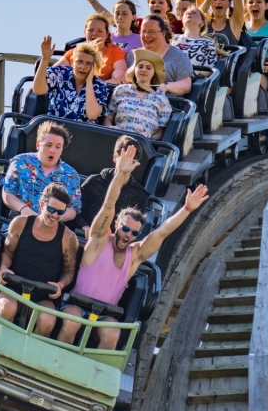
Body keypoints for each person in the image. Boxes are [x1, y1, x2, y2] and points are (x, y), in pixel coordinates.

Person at [59, 145, 209, 348]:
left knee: (112, 336)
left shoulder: (135, 255)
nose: (128, 235)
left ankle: (95, 374)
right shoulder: (99, 239)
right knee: (71, 323)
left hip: (105, 313)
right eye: (126, 229)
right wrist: (121, 174)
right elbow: (109, 204)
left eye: (134, 233)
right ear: (117, 225)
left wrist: (187, 208)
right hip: (76, 304)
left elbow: (163, 231)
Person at [0, 184, 79, 339]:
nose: (55, 215)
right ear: (42, 204)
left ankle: (26, 357)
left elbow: (69, 270)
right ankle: (1, 346)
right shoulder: (20, 223)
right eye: (52, 209)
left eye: (60, 212)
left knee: (47, 321)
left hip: (42, 295)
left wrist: (60, 285)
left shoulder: (69, 238)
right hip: (14, 286)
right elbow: (7, 252)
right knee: (7, 308)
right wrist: (3, 268)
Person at [1, 120, 83, 221]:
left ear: (62, 150)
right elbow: (7, 193)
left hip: (51, 229)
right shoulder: (20, 162)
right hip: (19, 221)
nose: (52, 150)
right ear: (38, 145)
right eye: (48, 145)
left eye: (58, 147)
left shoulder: (72, 175)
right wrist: (23, 208)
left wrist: (56, 217)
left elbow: (73, 208)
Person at [76, 135, 151, 232]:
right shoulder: (94, 181)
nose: (127, 164)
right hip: (85, 235)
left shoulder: (140, 194)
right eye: (124, 159)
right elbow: (76, 210)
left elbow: (136, 226)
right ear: (115, 158)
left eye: (132, 160)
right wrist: (84, 226)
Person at [33, 36, 109, 122]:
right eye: (79, 62)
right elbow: (38, 90)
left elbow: (92, 115)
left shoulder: (100, 85)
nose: (83, 67)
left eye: (88, 63)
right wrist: (45, 59)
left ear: (94, 66)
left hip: (83, 133)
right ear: (72, 62)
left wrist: (89, 82)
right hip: (54, 129)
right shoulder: (60, 73)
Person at [105, 49, 172, 139]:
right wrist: (110, 129)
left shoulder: (161, 99)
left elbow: (161, 130)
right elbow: (108, 118)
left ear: (153, 73)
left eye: (148, 68)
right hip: (117, 139)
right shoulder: (120, 90)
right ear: (134, 70)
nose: (143, 70)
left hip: (144, 143)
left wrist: (150, 138)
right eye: (140, 67)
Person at [127, 15, 194, 95]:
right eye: (143, 31)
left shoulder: (179, 57)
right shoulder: (133, 55)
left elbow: (186, 85)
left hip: (166, 103)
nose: (147, 36)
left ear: (163, 34)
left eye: (151, 32)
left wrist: (166, 87)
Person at [55, 14, 127, 83]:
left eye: (100, 31)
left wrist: (98, 88)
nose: (95, 33)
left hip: (105, 92)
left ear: (106, 35)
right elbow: (53, 73)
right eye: (91, 30)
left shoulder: (114, 50)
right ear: (85, 33)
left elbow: (121, 77)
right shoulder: (74, 52)